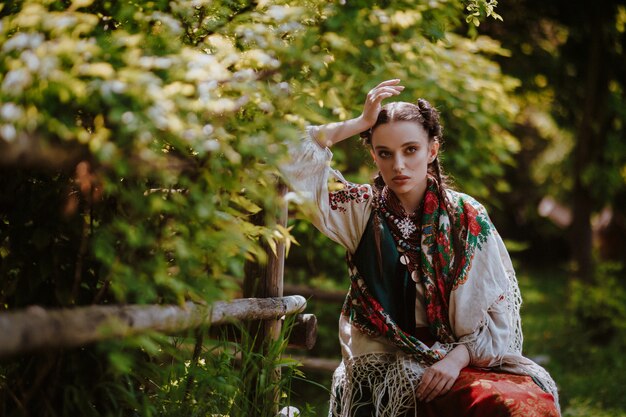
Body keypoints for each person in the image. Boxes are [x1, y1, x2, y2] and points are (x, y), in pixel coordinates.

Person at [281, 79, 560, 417]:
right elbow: (288, 149)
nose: (398, 165)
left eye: (410, 150)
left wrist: (456, 359)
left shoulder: (467, 216)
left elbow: (495, 313)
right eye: (385, 153)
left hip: (461, 356)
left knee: (524, 404)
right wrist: (360, 123)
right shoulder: (360, 210)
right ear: (373, 154)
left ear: (432, 150)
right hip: (387, 363)